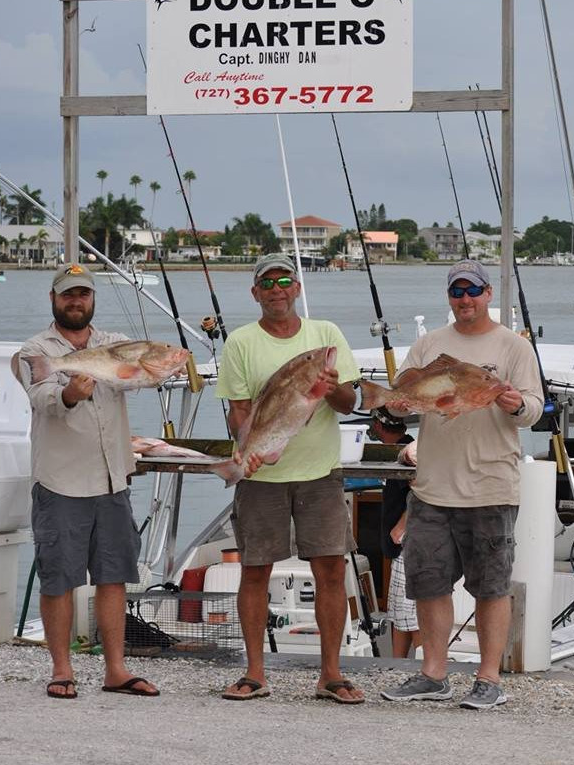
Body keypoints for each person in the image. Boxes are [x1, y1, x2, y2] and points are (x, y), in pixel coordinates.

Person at [380, 259, 543, 709]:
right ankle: (433, 674)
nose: (465, 298)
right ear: (448, 297)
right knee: (428, 583)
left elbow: (532, 408)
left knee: (491, 585)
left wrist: (513, 403)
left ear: (489, 293)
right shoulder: (429, 344)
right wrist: (393, 405)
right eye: (457, 291)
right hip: (432, 487)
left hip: (491, 486)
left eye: (473, 290)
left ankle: (489, 678)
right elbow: (402, 400)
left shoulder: (514, 347)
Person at [216, 253, 364, 704]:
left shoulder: (326, 335)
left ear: (297, 288)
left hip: (320, 473)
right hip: (261, 481)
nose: (276, 289)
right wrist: (246, 452)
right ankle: (255, 673)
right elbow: (239, 411)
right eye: (267, 282)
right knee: (255, 571)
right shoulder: (240, 343)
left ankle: (331, 675)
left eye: (284, 280)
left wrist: (332, 384)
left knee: (331, 572)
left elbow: (347, 402)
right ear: (255, 292)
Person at [18, 263, 159, 699]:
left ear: (93, 299)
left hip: (113, 477)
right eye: (67, 295)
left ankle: (115, 669)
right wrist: (69, 393)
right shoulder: (36, 349)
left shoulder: (114, 344)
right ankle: (62, 669)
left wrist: (160, 366)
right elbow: (42, 399)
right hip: (61, 482)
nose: (75, 301)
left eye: (83, 294)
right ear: (53, 299)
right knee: (58, 577)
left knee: (113, 575)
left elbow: (139, 376)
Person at [368, 407, 421, 658]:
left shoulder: (407, 452)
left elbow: (420, 488)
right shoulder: (404, 447)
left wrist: (402, 526)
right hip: (401, 543)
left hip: (408, 541)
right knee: (399, 611)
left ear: (378, 426)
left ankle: (420, 660)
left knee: (411, 611)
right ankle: (397, 663)